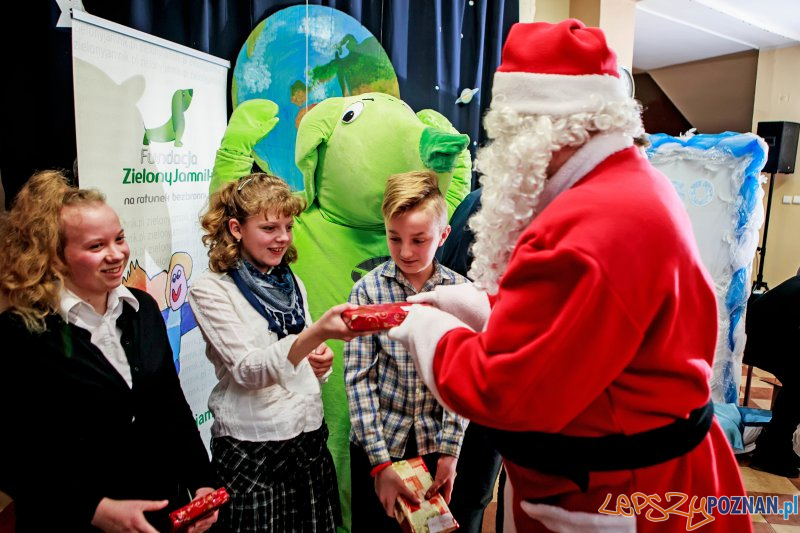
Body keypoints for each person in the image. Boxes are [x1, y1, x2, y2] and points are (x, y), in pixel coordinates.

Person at [389, 19, 751, 532]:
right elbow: (583, 328)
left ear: (541, 130)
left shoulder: (588, 227)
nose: (502, 153)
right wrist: (481, 310)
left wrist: (427, 328)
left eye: (508, 133)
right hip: (637, 471)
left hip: (620, 491)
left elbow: (501, 391)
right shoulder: (627, 185)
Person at [0, 170, 217, 533]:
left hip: (158, 510)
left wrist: (201, 481)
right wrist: (95, 510)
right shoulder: (22, 332)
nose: (116, 255)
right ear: (57, 257)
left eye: (119, 239)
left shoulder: (143, 309)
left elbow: (170, 406)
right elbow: (12, 454)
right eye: (96, 246)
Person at [188, 173, 370, 532]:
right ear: (237, 229)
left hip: (308, 441)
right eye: (269, 228)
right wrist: (316, 334)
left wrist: (320, 361)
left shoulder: (290, 281)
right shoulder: (209, 290)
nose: (283, 238)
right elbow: (247, 370)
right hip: (252, 450)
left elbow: (301, 359)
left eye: (287, 226)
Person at [344, 170, 469, 531]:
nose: (405, 251)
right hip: (378, 446)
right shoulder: (367, 292)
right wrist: (381, 465)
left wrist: (450, 452)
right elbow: (359, 381)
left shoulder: (459, 294)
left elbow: (462, 379)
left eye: (419, 239)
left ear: (443, 235)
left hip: (436, 444)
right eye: (394, 238)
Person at [744, 270, 800, 478]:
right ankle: (771, 451)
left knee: (796, 386)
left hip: (767, 332)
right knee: (797, 387)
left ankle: (777, 445)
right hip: (765, 338)